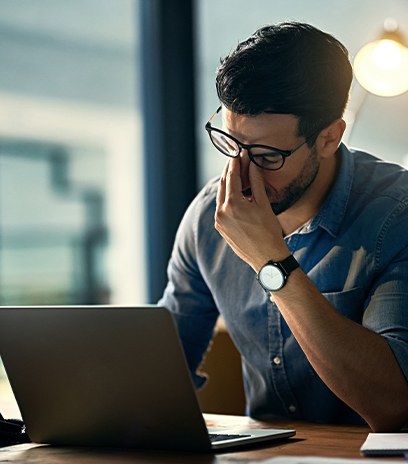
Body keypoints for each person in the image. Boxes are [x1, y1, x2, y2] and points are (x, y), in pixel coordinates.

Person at [159, 21, 408, 431]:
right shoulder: (209, 215)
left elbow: (394, 404)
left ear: (329, 138)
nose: (241, 173)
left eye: (267, 156)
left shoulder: (394, 216)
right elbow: (165, 362)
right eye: (230, 144)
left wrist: (271, 262)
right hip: (262, 456)